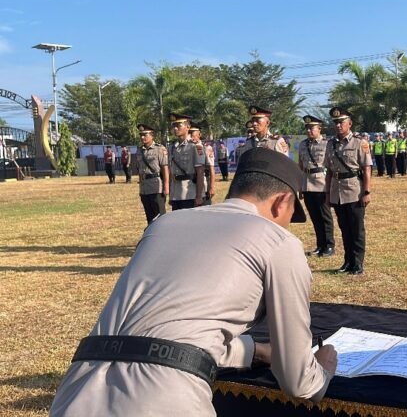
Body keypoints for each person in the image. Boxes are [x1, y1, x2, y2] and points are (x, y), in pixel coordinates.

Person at [50, 148, 338, 416]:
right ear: (282, 202)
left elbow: (165, 334)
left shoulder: (163, 224)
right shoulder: (278, 241)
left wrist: (256, 350)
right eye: (291, 215)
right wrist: (323, 369)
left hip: (76, 390)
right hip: (163, 398)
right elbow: (298, 382)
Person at [325, 107, 372, 275]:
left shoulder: (360, 143)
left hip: (354, 190)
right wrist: (327, 192)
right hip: (337, 191)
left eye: (341, 122)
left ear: (349, 123)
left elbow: (366, 169)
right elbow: (329, 171)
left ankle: (358, 262)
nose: (338, 126)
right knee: (344, 228)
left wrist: (366, 192)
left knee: (356, 229)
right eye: (335, 123)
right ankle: (348, 261)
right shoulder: (330, 144)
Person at [299, 115, 335, 257]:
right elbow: (301, 165)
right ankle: (320, 245)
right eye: (307, 128)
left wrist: (330, 186)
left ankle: (329, 245)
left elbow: (331, 165)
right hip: (307, 183)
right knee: (314, 216)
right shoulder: (303, 144)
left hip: (321, 183)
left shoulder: (326, 144)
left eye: (311, 128)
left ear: (319, 129)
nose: (309, 130)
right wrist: (300, 186)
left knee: (325, 216)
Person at [168, 113, 205, 210]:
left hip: (190, 194)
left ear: (188, 126)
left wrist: (199, 196)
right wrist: (171, 195)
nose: (175, 128)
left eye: (178, 125)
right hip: (176, 194)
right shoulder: (172, 148)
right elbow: (171, 174)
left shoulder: (195, 146)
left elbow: (200, 172)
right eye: (174, 126)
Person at [136, 124, 169, 224]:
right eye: (141, 135)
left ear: (152, 135)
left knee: (160, 216)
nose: (142, 137)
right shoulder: (139, 150)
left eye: (145, 135)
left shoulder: (159, 149)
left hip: (156, 186)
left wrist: (166, 186)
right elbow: (140, 169)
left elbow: (165, 168)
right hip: (145, 188)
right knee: (149, 217)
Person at [189, 121, 215, 206]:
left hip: (204, 183)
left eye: (193, 134)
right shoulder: (187, 148)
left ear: (199, 134)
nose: (192, 137)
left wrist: (212, 187)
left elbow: (211, 168)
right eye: (190, 135)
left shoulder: (206, 147)